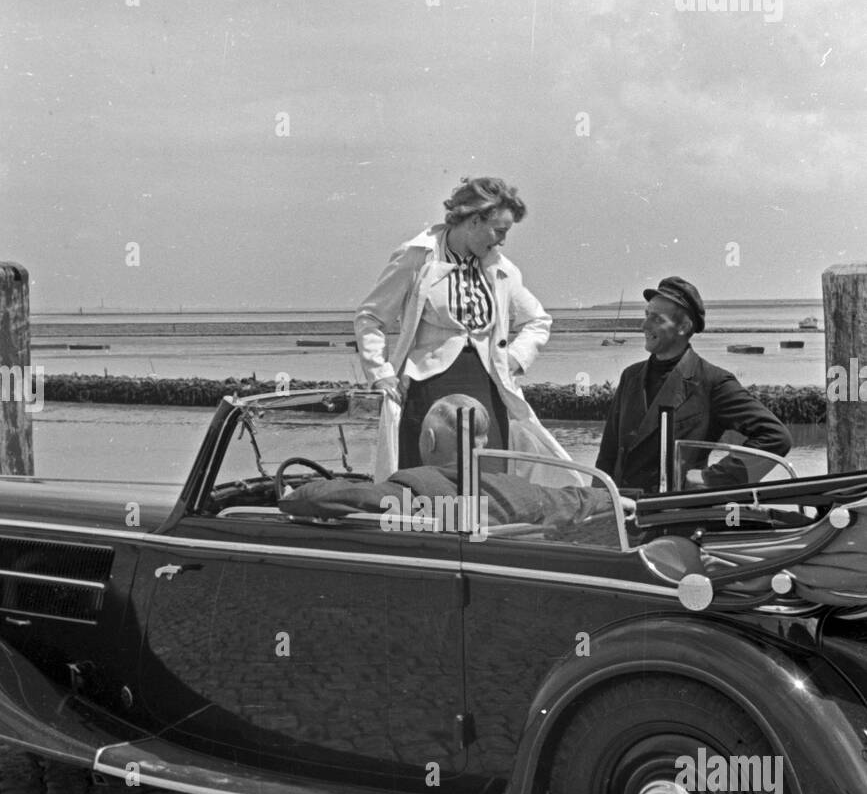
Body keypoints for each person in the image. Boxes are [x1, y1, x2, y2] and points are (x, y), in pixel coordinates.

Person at [354, 175, 574, 481]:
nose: (502, 241)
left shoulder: (502, 269)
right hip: (429, 389)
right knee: (429, 481)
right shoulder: (417, 257)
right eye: (499, 231)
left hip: (489, 389)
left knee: (490, 479)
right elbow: (370, 317)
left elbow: (538, 321)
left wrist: (515, 359)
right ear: (473, 220)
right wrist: (381, 374)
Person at [285, 394, 630, 532]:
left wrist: (291, 491)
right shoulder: (521, 490)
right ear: (482, 443)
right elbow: (578, 498)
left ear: (429, 440)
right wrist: (620, 499)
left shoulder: (414, 490)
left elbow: (314, 500)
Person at [596, 276, 792, 494]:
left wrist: (714, 479)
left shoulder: (712, 382)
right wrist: (597, 507)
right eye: (646, 315)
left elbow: (775, 437)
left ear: (684, 326)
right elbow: (607, 455)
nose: (644, 325)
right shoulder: (630, 376)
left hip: (676, 517)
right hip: (623, 513)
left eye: (657, 319)